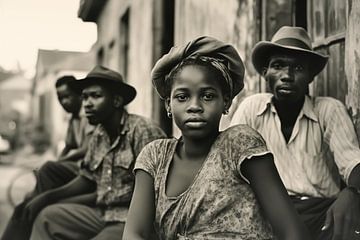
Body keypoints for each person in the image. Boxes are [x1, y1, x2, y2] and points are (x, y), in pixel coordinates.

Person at [123, 36, 310, 240]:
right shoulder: (155, 157)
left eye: (208, 96)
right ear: (168, 104)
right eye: (182, 97)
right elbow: (135, 233)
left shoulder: (239, 144)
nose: (194, 106)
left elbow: (292, 231)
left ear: (226, 102)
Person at [230, 26, 360, 240]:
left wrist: (352, 192)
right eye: (278, 66)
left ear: (310, 76)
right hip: (266, 214)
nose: (287, 76)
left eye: (298, 68)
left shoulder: (328, 109)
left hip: (321, 215)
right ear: (265, 72)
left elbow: (353, 162)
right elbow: (227, 162)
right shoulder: (252, 108)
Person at [22, 66, 165, 240]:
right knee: (46, 217)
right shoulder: (99, 134)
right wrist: (47, 197)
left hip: (130, 220)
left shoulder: (143, 130)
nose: (87, 104)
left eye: (96, 96)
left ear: (117, 101)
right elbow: (87, 178)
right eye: (84, 97)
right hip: (102, 213)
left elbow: (159, 190)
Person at [1, 75, 94, 240]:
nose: (64, 102)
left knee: (47, 172)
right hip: (75, 170)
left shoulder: (89, 115)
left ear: (78, 95)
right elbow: (69, 145)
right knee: (27, 201)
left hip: (85, 172)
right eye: (60, 98)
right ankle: (30, 204)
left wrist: (58, 163)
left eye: (67, 96)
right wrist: (59, 159)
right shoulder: (73, 119)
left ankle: (33, 203)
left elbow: (85, 149)